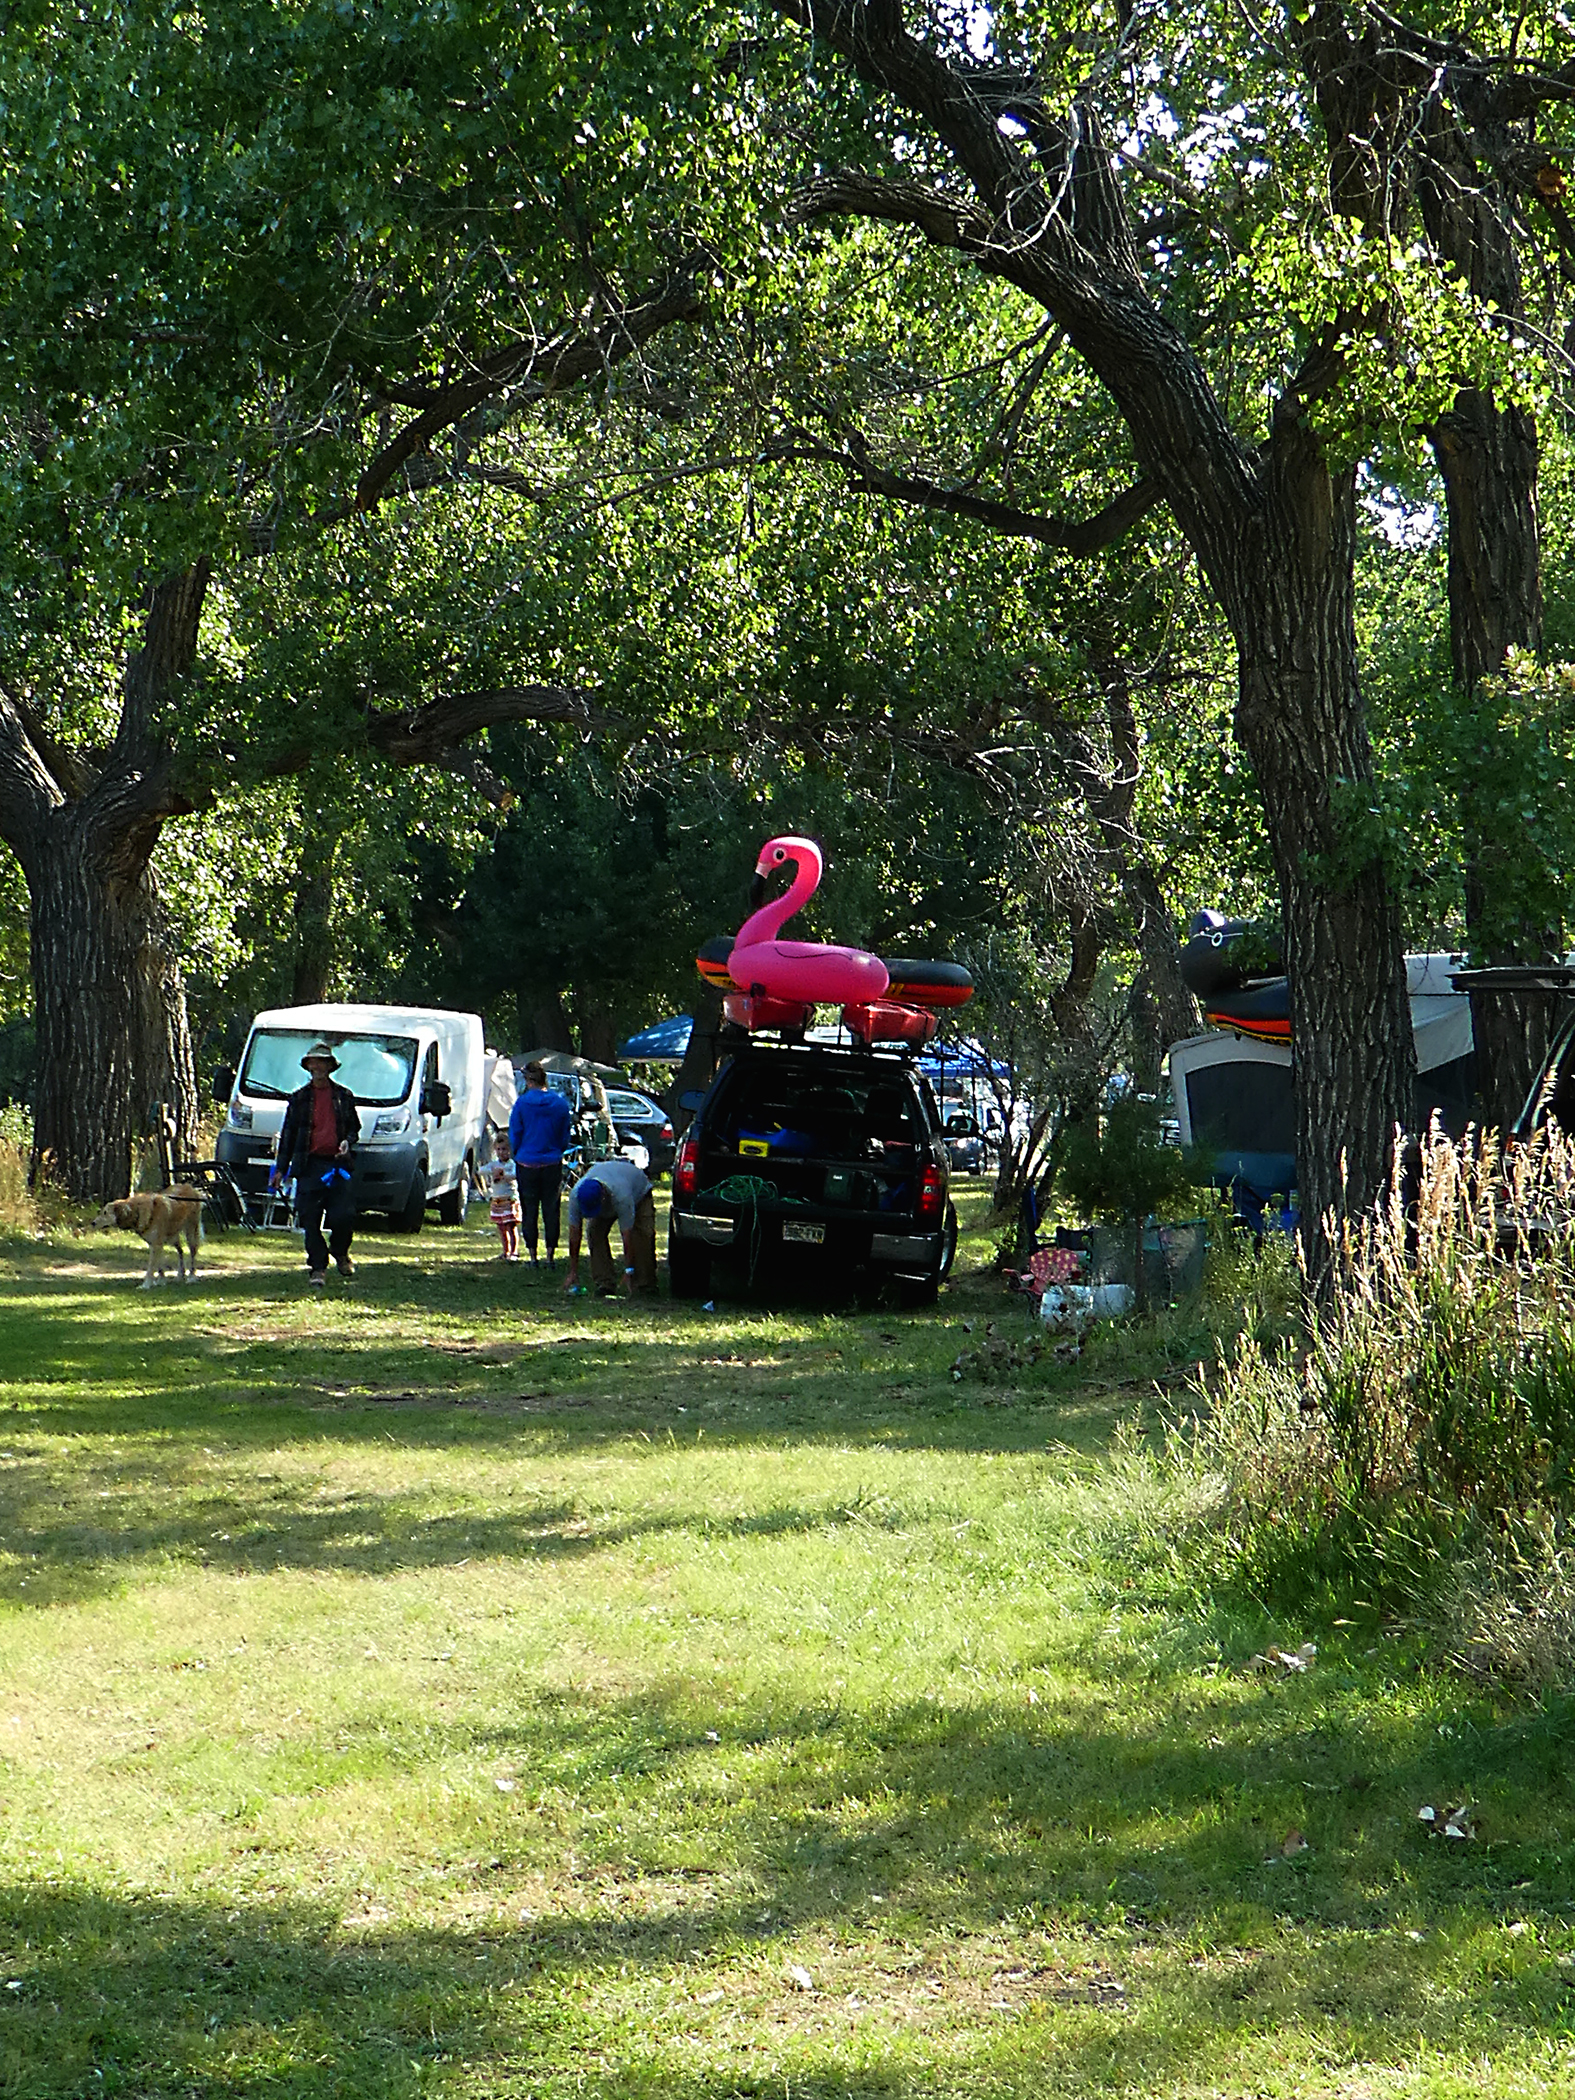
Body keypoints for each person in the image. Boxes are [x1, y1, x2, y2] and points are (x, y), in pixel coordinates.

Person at [273, 1041, 361, 1287]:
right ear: (308, 1066)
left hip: (338, 1167)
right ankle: (318, 1267)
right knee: (309, 1218)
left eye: (323, 1062)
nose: (318, 1067)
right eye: (315, 1062)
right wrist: (280, 1170)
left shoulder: (344, 1096)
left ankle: (340, 1252)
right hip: (309, 1166)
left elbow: (354, 1128)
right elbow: (288, 1136)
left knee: (343, 1215)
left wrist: (347, 1141)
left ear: (330, 1067)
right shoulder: (299, 1099)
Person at [508, 1059, 573, 1267]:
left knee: (529, 1209)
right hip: (551, 1162)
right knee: (551, 1208)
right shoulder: (560, 1104)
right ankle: (550, 1255)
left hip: (527, 1162)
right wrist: (557, 1150)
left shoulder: (521, 1104)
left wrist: (518, 1153)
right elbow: (564, 1135)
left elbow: (515, 1134)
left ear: (528, 1081)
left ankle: (532, 1255)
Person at [565, 1157, 657, 1298]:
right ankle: (604, 1283)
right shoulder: (575, 1197)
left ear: (603, 1197)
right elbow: (574, 1236)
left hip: (639, 1193)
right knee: (594, 1233)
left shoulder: (622, 1196)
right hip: (610, 1185)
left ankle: (644, 1285)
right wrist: (573, 1271)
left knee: (643, 1235)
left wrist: (628, 1270)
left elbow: (627, 1236)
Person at [484, 1130, 521, 1261]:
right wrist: (493, 1171)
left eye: (504, 1149)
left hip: (509, 1199)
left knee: (510, 1226)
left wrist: (503, 1174)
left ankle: (514, 1251)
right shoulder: (494, 1164)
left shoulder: (511, 1164)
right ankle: (505, 1251)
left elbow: (515, 1175)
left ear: (510, 1150)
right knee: (501, 1227)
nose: (501, 1152)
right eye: (498, 1149)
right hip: (497, 1199)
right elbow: (481, 1170)